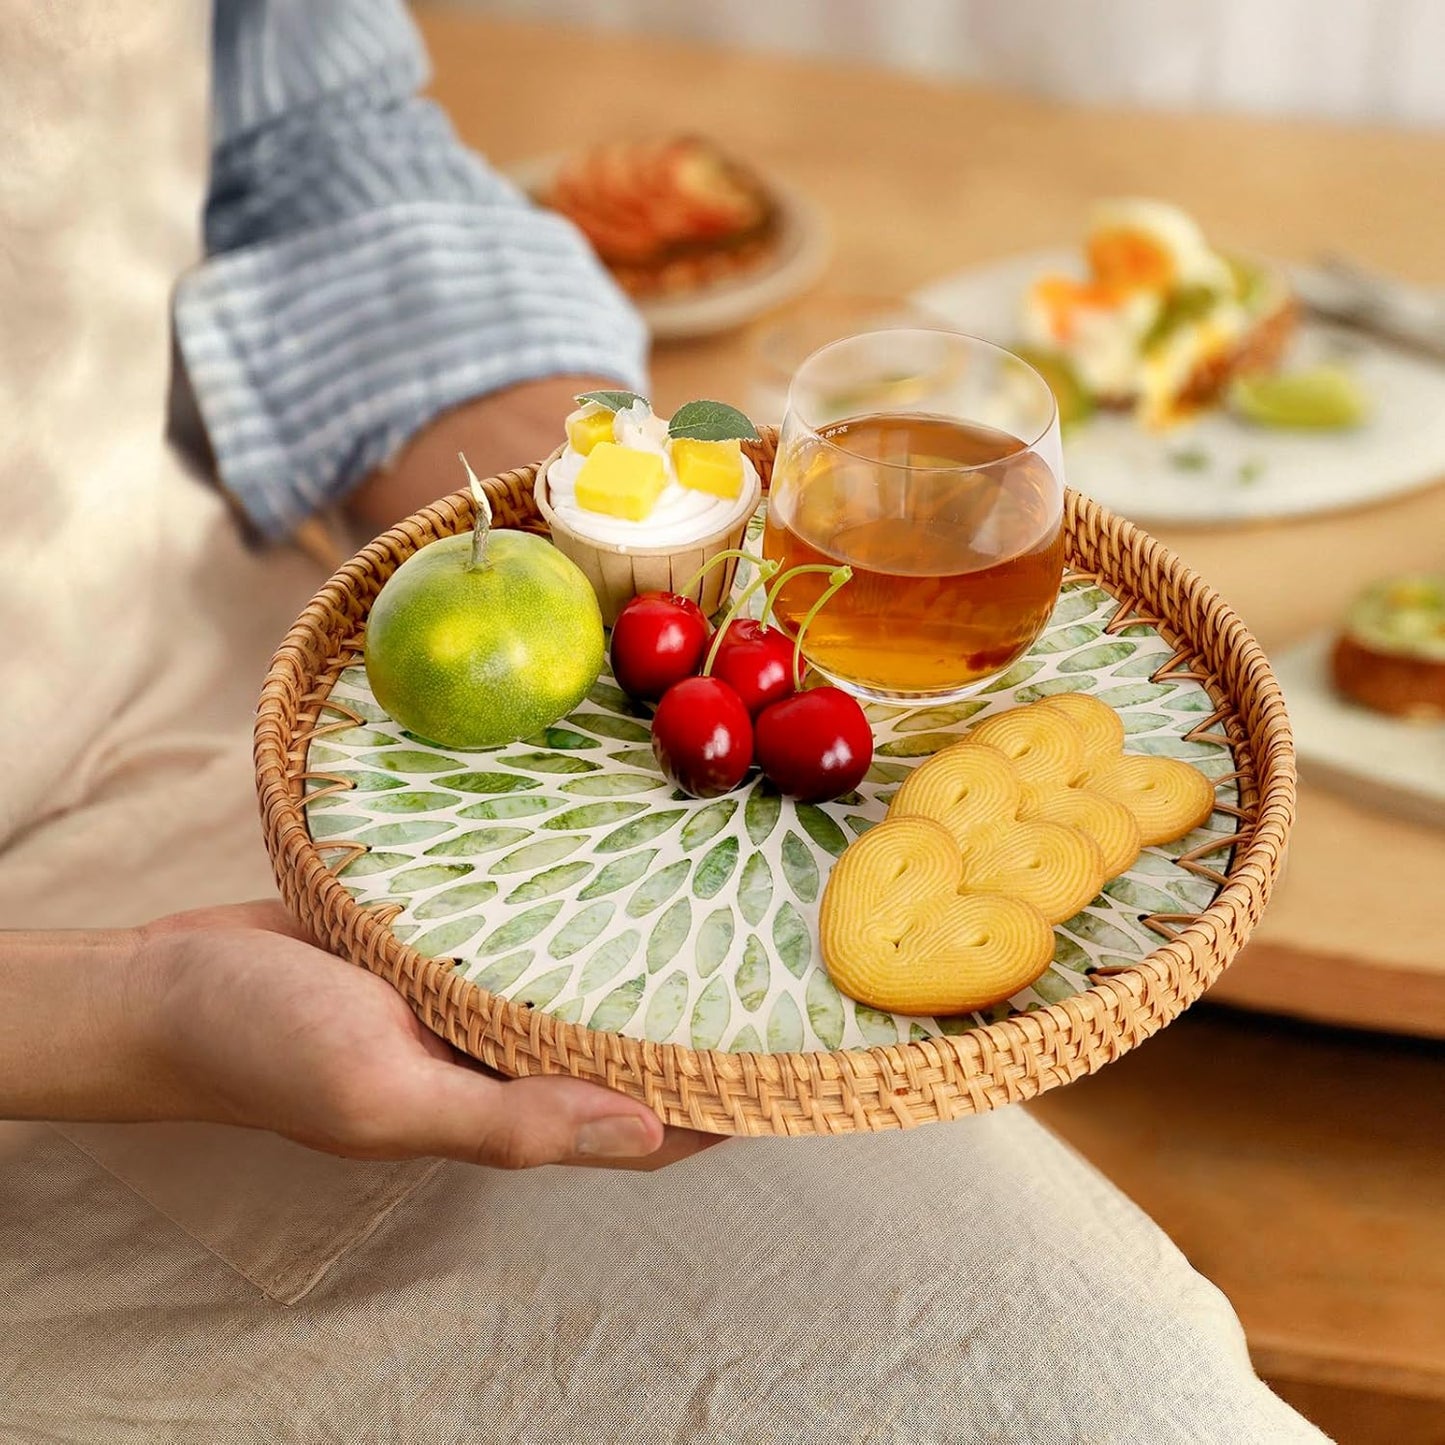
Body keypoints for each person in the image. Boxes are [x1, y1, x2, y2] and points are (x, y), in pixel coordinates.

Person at [0, 3, 1325, 1440]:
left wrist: (629, 496)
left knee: (1133, 1396)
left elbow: (310, 154)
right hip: (96, 994)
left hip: (265, 705)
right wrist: (136, 1010)